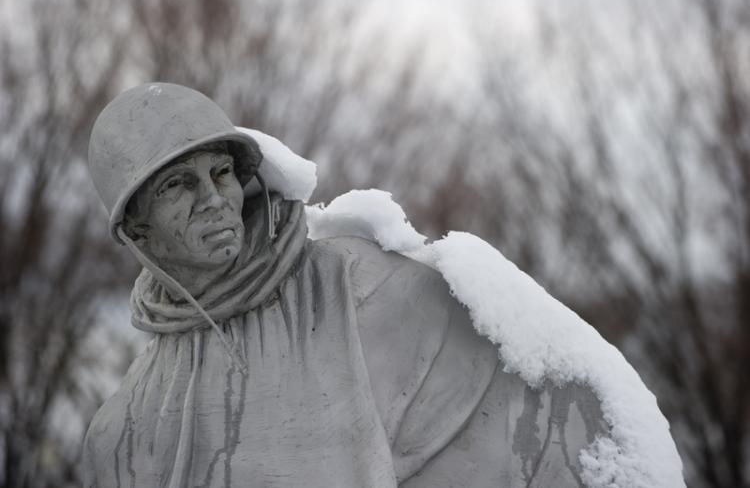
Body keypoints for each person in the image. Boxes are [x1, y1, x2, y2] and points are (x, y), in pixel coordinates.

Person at [83, 83, 606, 488]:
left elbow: (548, 412)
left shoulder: (359, 287)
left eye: (220, 172)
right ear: (136, 228)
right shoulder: (123, 427)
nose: (215, 198)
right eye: (177, 184)